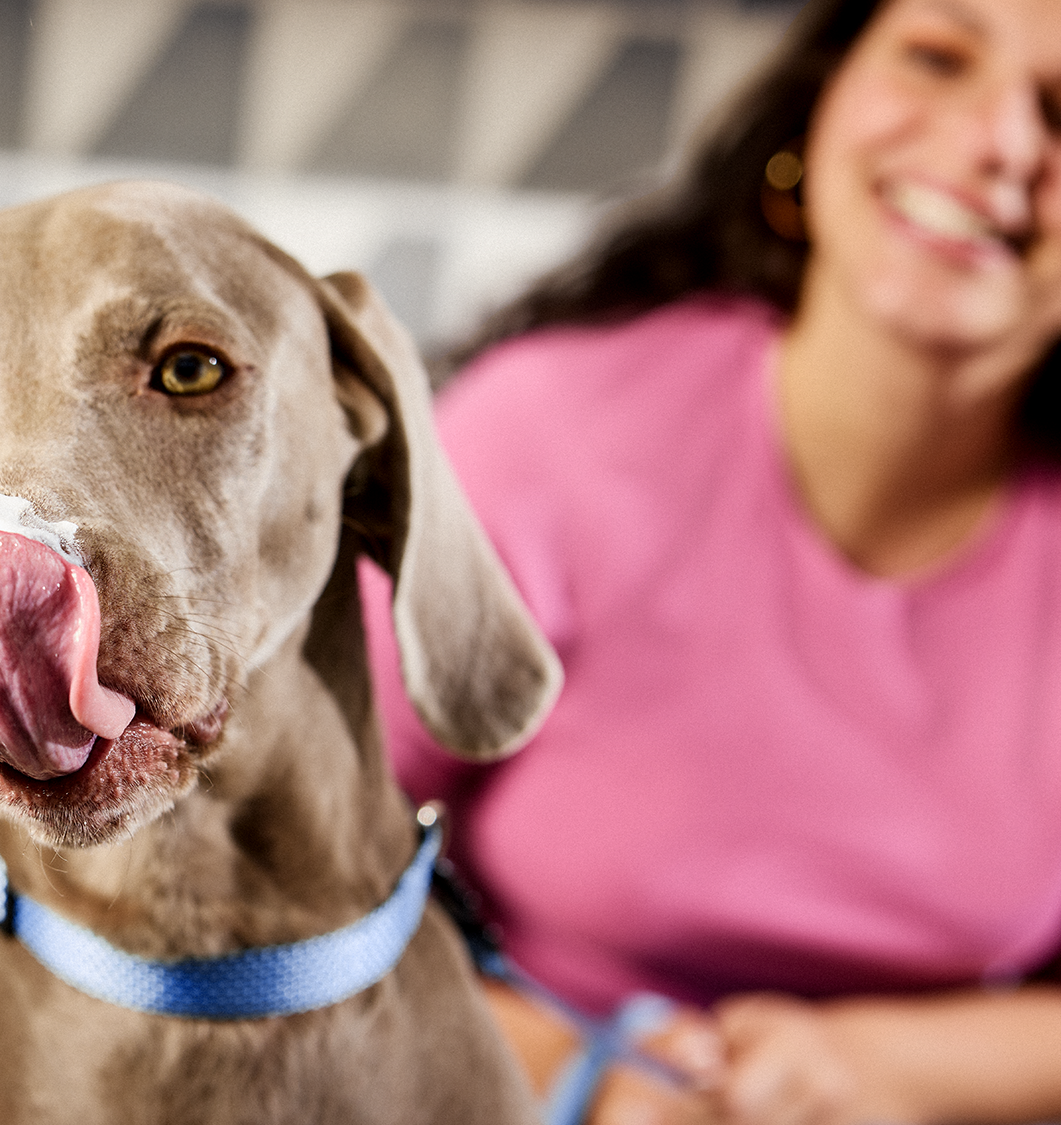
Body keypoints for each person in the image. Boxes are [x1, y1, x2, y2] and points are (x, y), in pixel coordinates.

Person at [362, 0, 1061, 1121]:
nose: (1000, 143)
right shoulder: (551, 435)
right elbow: (240, 868)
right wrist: (585, 1077)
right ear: (818, 107)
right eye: (937, 57)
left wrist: (867, 1066)